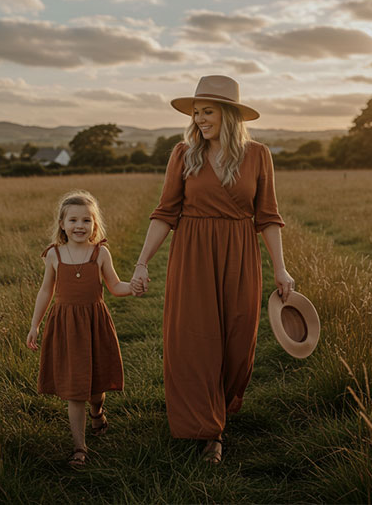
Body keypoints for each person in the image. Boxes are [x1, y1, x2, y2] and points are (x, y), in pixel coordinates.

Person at [130, 75, 295, 464]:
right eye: (196, 112)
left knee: (237, 342)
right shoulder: (183, 154)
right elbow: (165, 213)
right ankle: (210, 432)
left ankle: (217, 409)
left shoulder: (258, 155)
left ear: (230, 115)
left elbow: (268, 217)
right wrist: (141, 262)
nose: (200, 119)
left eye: (208, 112)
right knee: (195, 341)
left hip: (240, 256)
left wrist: (281, 270)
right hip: (192, 256)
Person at [27, 190, 132, 467]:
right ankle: (80, 448)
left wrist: (132, 287)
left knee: (95, 387)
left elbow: (115, 286)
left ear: (94, 225)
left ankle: (98, 412)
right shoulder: (54, 255)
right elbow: (46, 291)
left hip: (94, 325)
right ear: (62, 224)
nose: (79, 226)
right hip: (65, 326)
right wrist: (35, 325)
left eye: (86, 220)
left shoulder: (100, 254)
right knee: (75, 390)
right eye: (73, 220)